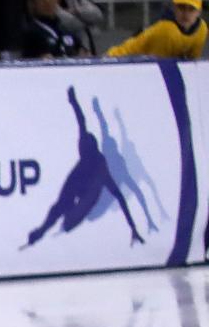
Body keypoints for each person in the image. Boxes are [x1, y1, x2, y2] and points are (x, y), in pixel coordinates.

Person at [24, 87, 144, 249]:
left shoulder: (101, 167)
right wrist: (73, 102)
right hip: (76, 185)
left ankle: (60, 222)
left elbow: (120, 197)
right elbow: (82, 121)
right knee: (59, 207)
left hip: (87, 195)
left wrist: (133, 226)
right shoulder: (86, 149)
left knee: (68, 217)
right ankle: (43, 230)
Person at [106, 0, 206, 61]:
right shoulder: (166, 30)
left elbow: (192, 62)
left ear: (199, 12)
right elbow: (158, 66)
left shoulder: (202, 29)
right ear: (174, 8)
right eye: (181, 7)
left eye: (191, 9)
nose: (186, 14)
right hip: (117, 59)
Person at [19, 0, 88, 60]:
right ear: (32, 2)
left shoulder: (65, 29)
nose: (47, 1)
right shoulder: (30, 32)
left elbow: (83, 52)